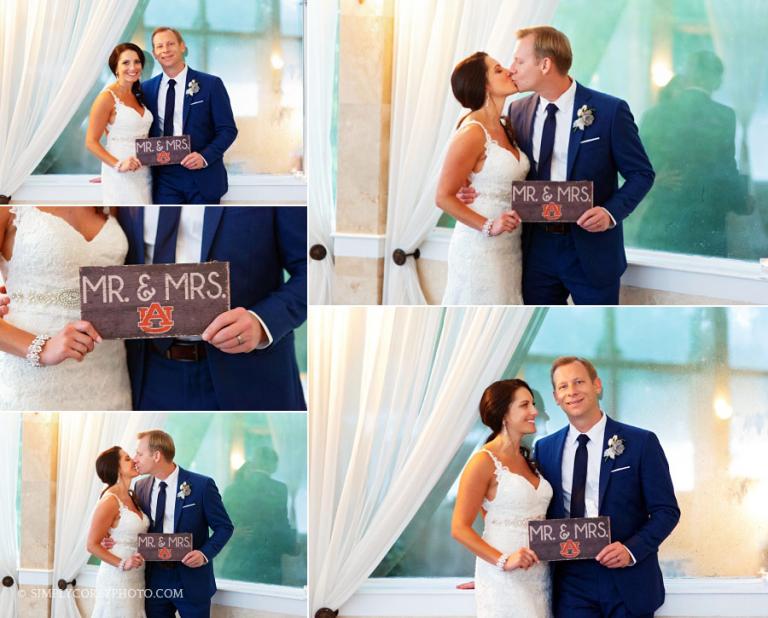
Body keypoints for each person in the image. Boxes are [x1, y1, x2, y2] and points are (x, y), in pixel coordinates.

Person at [461, 27, 655, 304]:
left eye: (519, 61)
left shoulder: (610, 111)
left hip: (591, 250)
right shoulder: (517, 112)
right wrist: (468, 187)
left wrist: (610, 213)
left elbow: (641, 174)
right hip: (534, 250)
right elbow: (500, 167)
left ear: (545, 64)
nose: (512, 69)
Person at [117, 206, 307, 411]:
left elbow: (312, 268)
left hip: (250, 372)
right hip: (150, 373)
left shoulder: (269, 183)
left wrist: (262, 322)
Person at [533, 357, 680, 617]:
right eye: (564, 386)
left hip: (627, 577)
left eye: (579, 382)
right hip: (570, 581)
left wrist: (630, 550)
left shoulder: (641, 442)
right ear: (556, 397)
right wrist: (500, 572)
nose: (572, 391)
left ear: (597, 385)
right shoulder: (544, 450)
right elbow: (531, 512)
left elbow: (666, 511)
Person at [0, 206, 131, 410]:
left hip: (109, 377)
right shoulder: (8, 207)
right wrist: (42, 348)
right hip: (33, 382)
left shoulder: (107, 205)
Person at [452, 379, 553, 618]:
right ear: (504, 413)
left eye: (534, 404)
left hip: (540, 575)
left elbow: (494, 514)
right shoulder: (482, 462)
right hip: (506, 578)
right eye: (525, 405)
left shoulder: (531, 461)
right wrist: (501, 561)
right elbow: (459, 528)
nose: (534, 412)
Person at [437, 52, 529, 305]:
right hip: (479, 246)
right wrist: (490, 226)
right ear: (484, 84)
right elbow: (443, 197)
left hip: (511, 246)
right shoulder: (472, 132)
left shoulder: (506, 125)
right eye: (498, 70)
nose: (509, 71)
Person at [131, 430, 234, 617]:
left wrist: (204, 554)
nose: (134, 458)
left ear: (156, 455)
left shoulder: (202, 485)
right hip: (154, 579)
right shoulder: (140, 487)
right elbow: (136, 525)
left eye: (139, 453)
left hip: (192, 579)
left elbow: (224, 527)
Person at [143, 27, 237, 204]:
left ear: (182, 46)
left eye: (170, 44)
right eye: (159, 46)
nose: (165, 50)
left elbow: (228, 130)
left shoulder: (211, 84)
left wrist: (204, 157)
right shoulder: (146, 89)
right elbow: (135, 129)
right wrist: (114, 170)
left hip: (202, 176)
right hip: (163, 179)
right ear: (155, 53)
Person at [85, 42, 153, 205]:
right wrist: (116, 165)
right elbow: (91, 142)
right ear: (116, 68)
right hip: (121, 172)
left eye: (137, 62)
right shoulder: (106, 98)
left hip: (144, 172)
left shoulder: (139, 95)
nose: (133, 67)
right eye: (126, 62)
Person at [87, 446, 149, 617]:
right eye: (128, 459)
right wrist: (123, 563)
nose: (134, 461)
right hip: (117, 576)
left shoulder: (132, 496)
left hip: (137, 576)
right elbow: (91, 545)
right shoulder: (109, 500)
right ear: (116, 468)